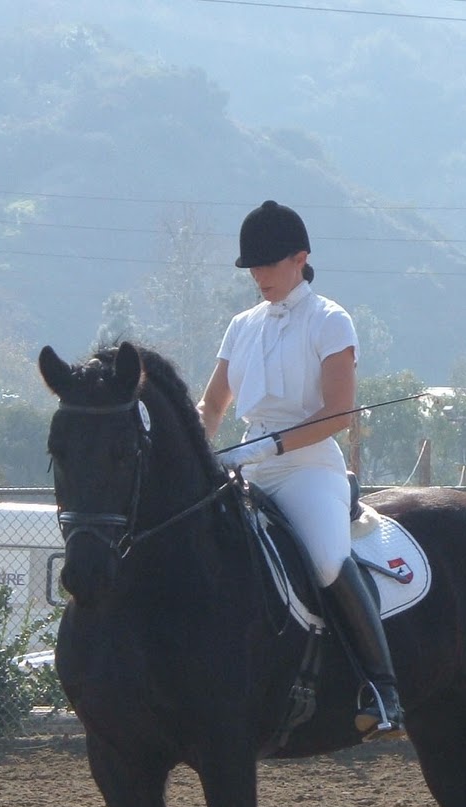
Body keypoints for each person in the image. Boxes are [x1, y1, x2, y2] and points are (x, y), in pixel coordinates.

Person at [197, 200, 403, 737]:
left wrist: (267, 448)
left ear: (300, 258)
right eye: (253, 268)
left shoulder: (330, 320)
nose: (259, 276)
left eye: (269, 264)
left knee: (329, 560)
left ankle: (382, 687)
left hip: (308, 468)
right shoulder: (241, 326)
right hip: (246, 469)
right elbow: (213, 405)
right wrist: (191, 447)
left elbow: (337, 413)